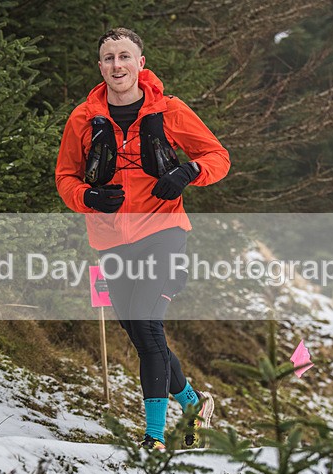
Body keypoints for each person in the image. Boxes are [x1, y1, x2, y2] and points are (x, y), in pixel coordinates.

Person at [55, 27, 230, 450]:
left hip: (163, 232)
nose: (117, 65)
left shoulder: (169, 110)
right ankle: (194, 404)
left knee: (148, 327)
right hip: (111, 242)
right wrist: (88, 197)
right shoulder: (82, 118)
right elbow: (65, 178)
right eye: (109, 58)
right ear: (100, 66)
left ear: (140, 63)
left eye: (125, 56)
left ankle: (154, 437)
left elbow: (218, 157)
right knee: (140, 334)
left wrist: (188, 172)